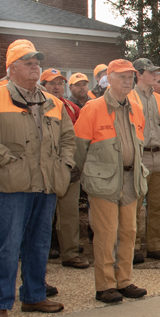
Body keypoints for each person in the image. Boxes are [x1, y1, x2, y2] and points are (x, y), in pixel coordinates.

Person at [0, 39, 75, 317]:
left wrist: (64, 166)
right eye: (28, 62)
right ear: (12, 68)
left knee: (39, 243)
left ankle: (34, 295)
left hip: (45, 184)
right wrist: (9, 161)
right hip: (7, 186)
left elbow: (69, 139)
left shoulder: (53, 102)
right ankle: (0, 305)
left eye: (36, 62)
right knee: (7, 245)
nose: (35, 67)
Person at [74, 60, 149, 304]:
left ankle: (124, 281)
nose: (128, 81)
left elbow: (139, 144)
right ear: (109, 79)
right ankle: (105, 285)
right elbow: (79, 149)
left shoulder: (136, 108)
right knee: (106, 233)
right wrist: (92, 174)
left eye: (131, 77)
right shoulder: (92, 108)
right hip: (103, 182)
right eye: (122, 77)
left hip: (130, 179)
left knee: (128, 231)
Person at [40, 69, 90, 270]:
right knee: (42, 215)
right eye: (52, 83)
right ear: (42, 86)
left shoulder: (71, 107)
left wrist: (76, 163)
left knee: (69, 213)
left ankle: (70, 253)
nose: (56, 87)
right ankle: (40, 256)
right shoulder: (36, 105)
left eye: (60, 83)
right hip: (43, 169)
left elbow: (80, 137)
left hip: (68, 166)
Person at [132, 58, 160, 261]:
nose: (155, 76)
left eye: (155, 72)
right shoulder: (129, 97)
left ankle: (154, 246)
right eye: (150, 72)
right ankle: (132, 247)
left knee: (158, 205)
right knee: (133, 205)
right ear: (138, 74)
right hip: (139, 156)